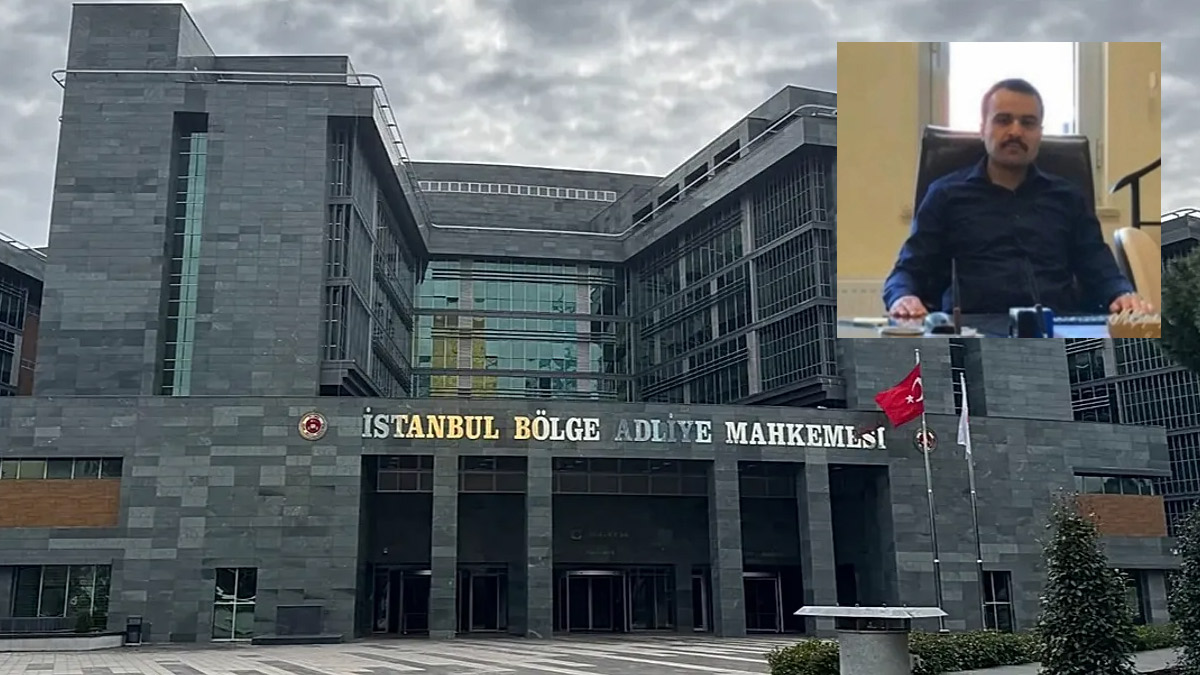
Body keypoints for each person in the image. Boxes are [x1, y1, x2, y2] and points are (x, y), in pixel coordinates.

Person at [882, 78, 1153, 320]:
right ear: (982, 129)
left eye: (1028, 123)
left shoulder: (1068, 197)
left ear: (1039, 133)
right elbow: (908, 270)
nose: (1015, 131)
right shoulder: (945, 194)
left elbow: (1099, 267)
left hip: (1058, 325)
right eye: (1003, 120)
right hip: (973, 327)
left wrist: (1122, 294)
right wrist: (903, 297)